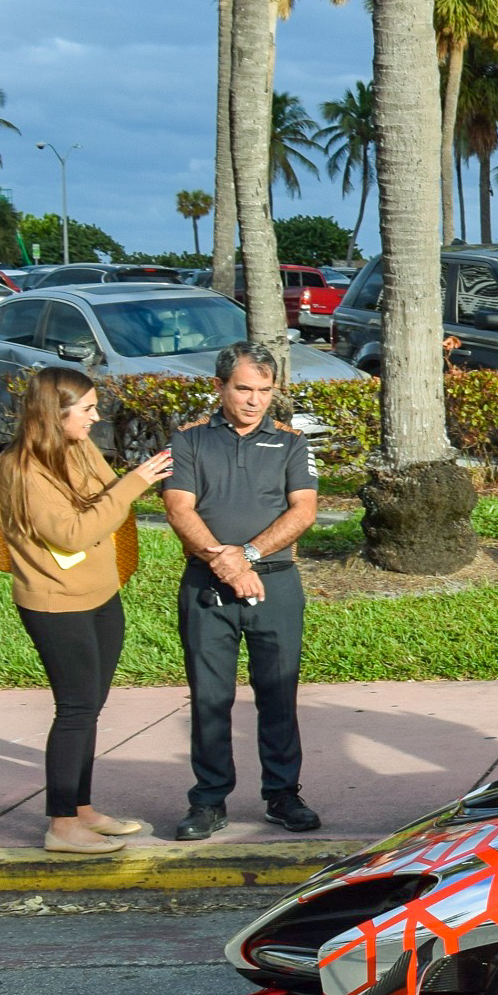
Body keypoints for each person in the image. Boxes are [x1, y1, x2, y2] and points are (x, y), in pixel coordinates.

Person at [0, 369, 176, 855]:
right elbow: (70, 533)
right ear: (56, 413)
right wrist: (132, 485)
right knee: (74, 710)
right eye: (87, 409)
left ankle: (82, 809)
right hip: (56, 604)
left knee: (90, 707)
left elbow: (106, 495)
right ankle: (61, 826)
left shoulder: (77, 447)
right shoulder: (22, 468)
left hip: (99, 595)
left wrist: (134, 481)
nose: (96, 416)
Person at [161, 342, 322, 841]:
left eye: (264, 391)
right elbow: (179, 509)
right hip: (207, 588)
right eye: (244, 389)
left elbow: (304, 511)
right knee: (211, 697)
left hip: (275, 586)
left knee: (278, 693)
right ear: (220, 386)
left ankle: (282, 794)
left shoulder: (292, 443)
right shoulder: (188, 442)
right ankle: (208, 801)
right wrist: (224, 564)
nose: (255, 400)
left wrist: (246, 556)